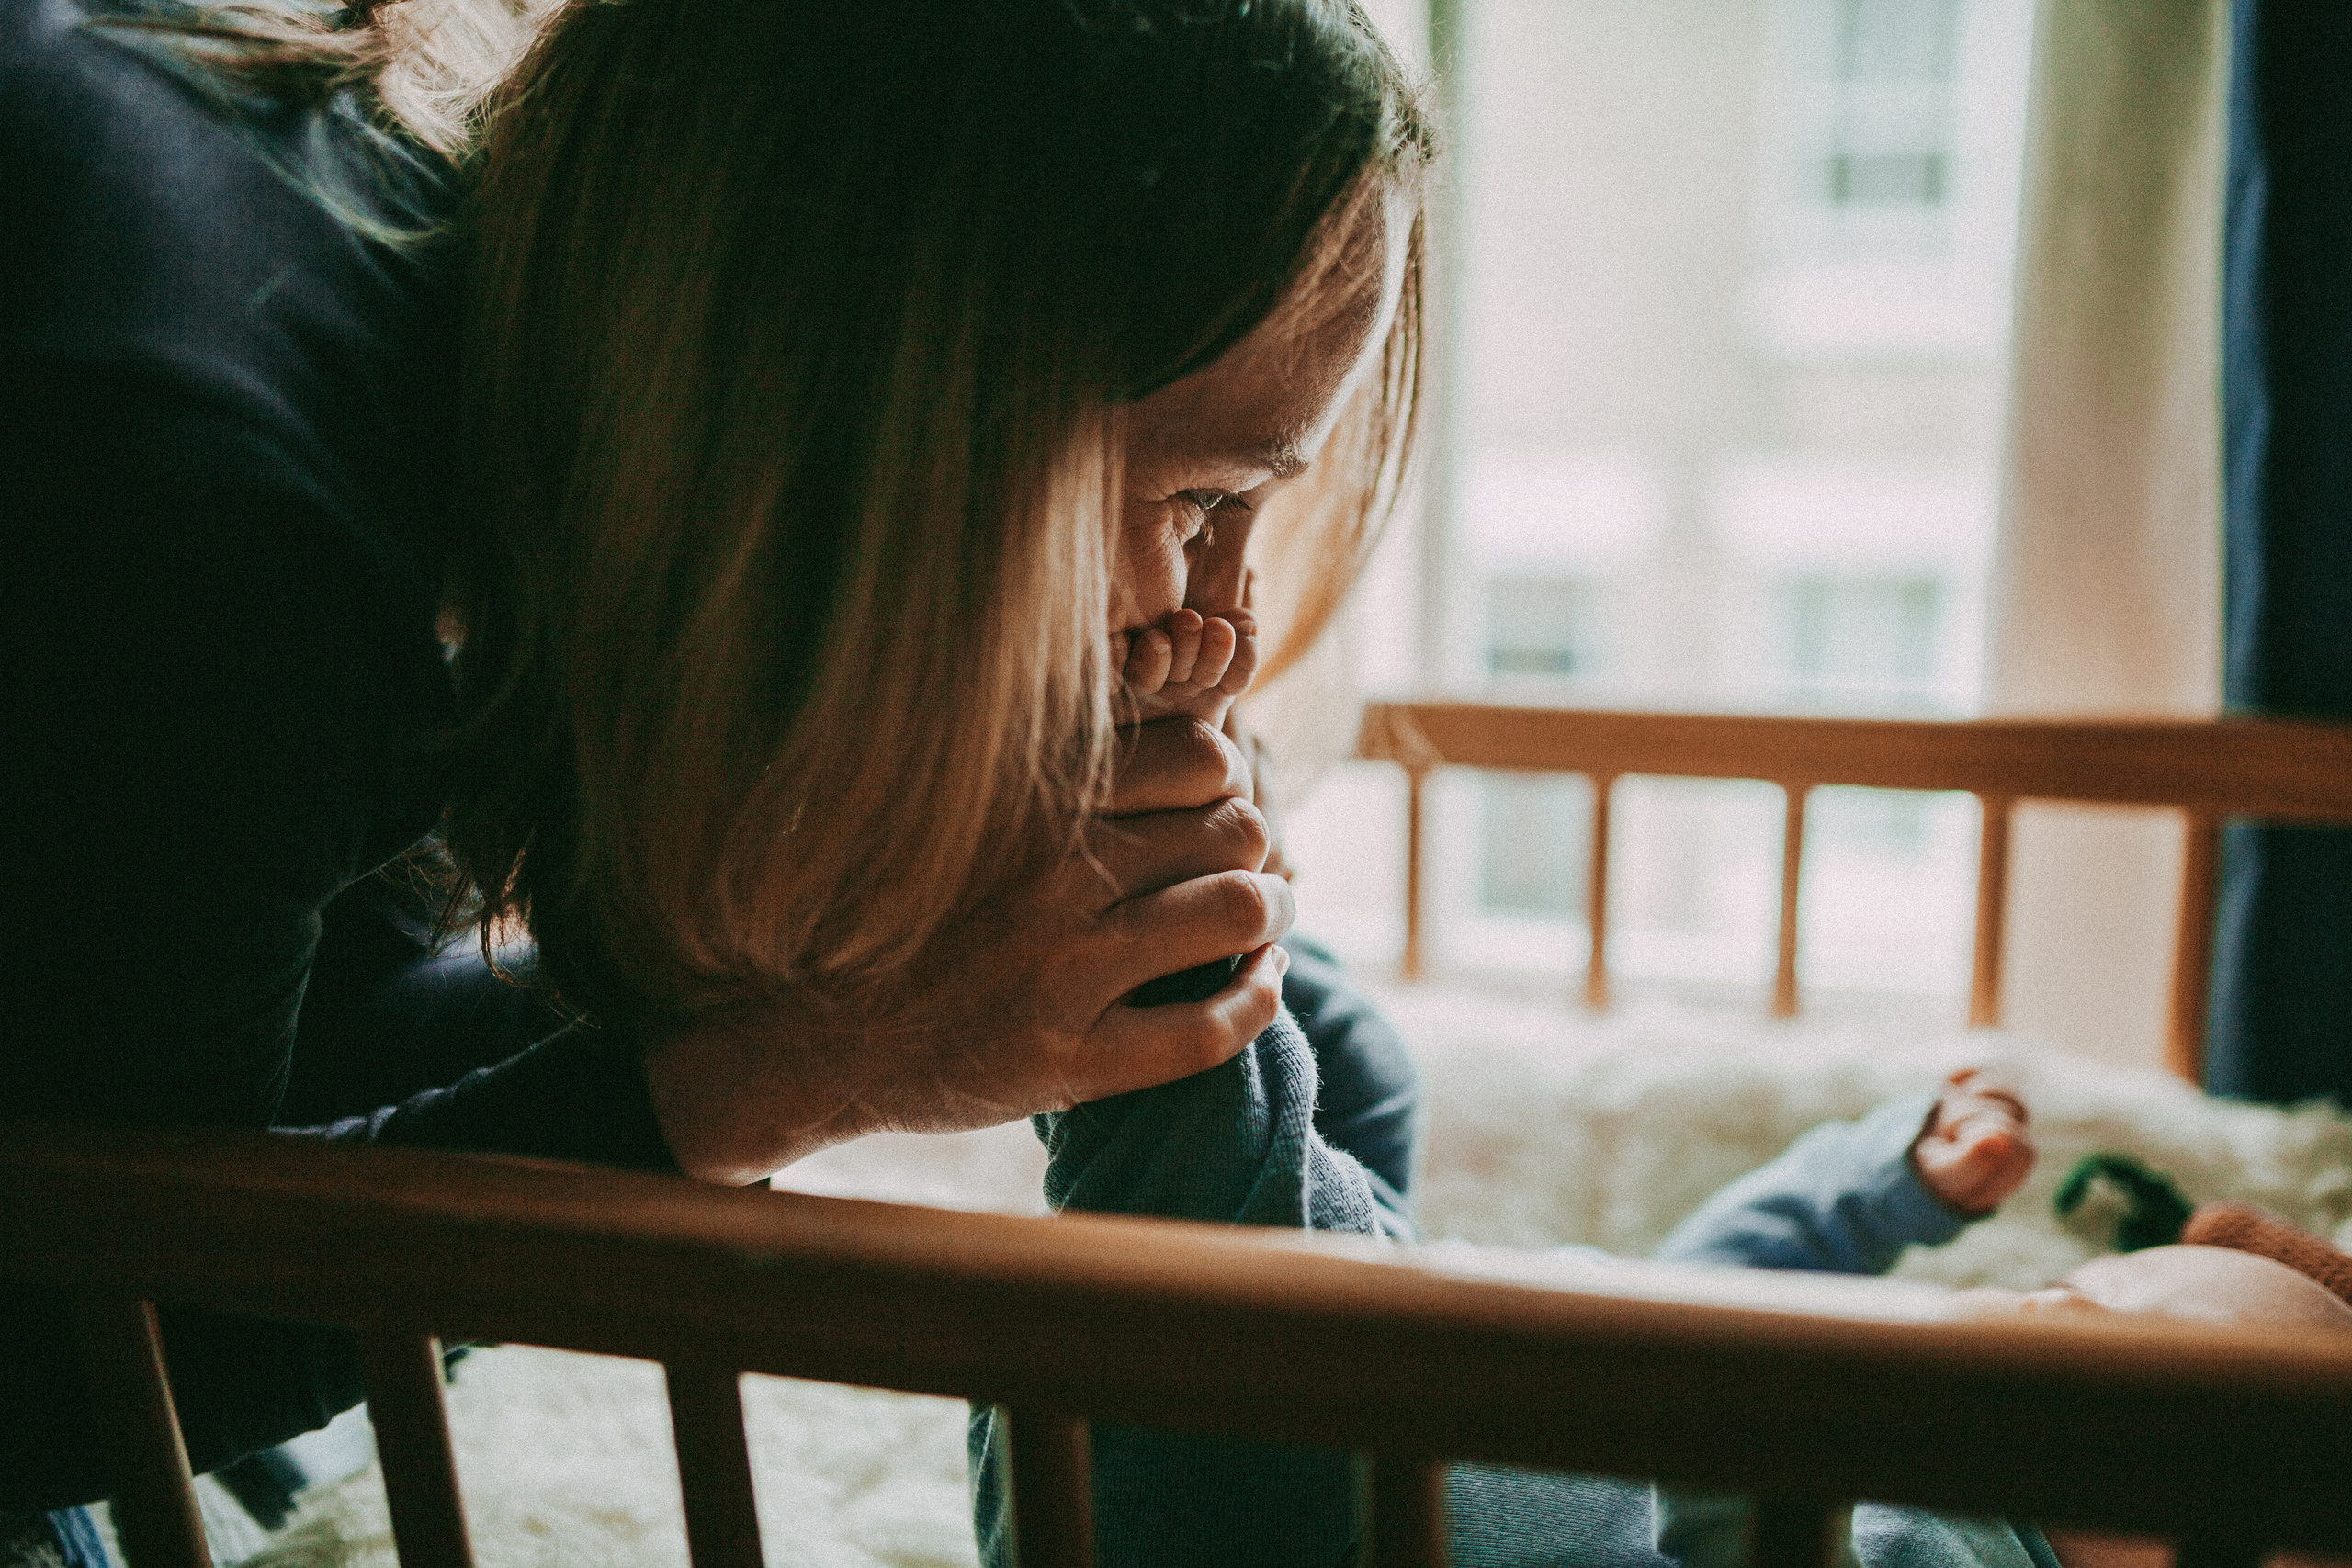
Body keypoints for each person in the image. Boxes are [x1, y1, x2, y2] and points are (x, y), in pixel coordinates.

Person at [0, 0, 1433, 1548]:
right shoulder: (203, 500)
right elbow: (73, 1353)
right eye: (1204, 497)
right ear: (891, 407)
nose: (1223, 626)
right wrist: (823, 1057)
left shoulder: (466, 348)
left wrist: (814, 1011)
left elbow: (241, 1090)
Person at [1001, 1036, 2352, 1568]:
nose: (2050, 1317)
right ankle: (1232, 897)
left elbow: (1744, 1481)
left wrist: (1778, 1414)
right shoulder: (1939, 1439)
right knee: (1357, 1071)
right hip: (1334, 1368)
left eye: (2127, 1362)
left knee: (1211, 1105)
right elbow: (1704, 1293)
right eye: (2075, 1289)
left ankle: (1152, 890)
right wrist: (1882, 1183)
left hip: (1269, 1504)